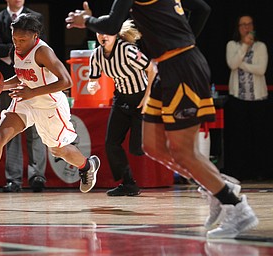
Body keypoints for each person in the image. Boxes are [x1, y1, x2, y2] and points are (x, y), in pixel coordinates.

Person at [66, 0, 258, 239]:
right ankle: (218, 186)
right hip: (167, 66)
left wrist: (86, 21)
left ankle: (236, 206)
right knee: (152, 146)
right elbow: (203, 9)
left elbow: (113, 24)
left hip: (181, 66)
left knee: (183, 151)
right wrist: (185, 41)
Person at [0, 13, 100, 203]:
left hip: (49, 104)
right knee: (0, 136)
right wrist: (1, 86)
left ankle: (86, 166)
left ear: (35, 36)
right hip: (26, 99)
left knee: (58, 150)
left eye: (22, 40)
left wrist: (32, 93)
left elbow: (66, 81)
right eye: (15, 39)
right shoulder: (16, 50)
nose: (18, 43)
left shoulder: (43, 52)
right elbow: (23, 75)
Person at [87, 19, 155, 196]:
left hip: (141, 98)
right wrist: (92, 86)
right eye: (99, 33)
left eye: (107, 33)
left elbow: (152, 69)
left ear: (115, 34)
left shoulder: (127, 50)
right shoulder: (96, 55)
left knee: (137, 148)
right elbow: (93, 80)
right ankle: (128, 184)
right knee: (111, 144)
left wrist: (148, 97)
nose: (103, 36)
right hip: (121, 99)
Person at [0, 0, 47, 192]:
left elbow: (40, 46)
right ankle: (13, 179)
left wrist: (16, 52)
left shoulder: (35, 17)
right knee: (8, 130)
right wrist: (16, 52)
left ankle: (37, 175)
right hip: (6, 78)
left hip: (34, 80)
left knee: (35, 130)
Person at [225, 15, 269, 181]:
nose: (246, 27)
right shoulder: (232, 45)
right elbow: (232, 64)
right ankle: (239, 172)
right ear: (238, 28)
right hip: (238, 98)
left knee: (258, 137)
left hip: (258, 99)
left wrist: (241, 64)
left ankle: (260, 171)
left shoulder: (260, 46)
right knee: (239, 137)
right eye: (243, 25)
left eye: (249, 24)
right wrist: (244, 46)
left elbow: (261, 70)